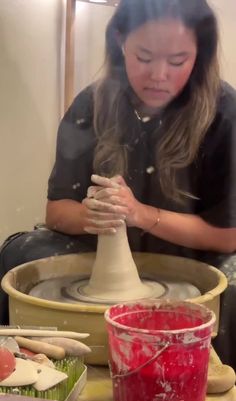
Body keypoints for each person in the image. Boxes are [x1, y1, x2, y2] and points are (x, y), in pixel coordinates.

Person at [0, 0, 236, 367]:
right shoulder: (91, 104)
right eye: (144, 56)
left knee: (233, 288)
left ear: (200, 54)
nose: (159, 74)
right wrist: (94, 216)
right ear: (120, 41)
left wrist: (141, 214)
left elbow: (229, 234)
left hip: (191, 256)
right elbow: (57, 210)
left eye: (177, 61)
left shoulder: (224, 115)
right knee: (20, 252)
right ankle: (24, 376)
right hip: (99, 258)